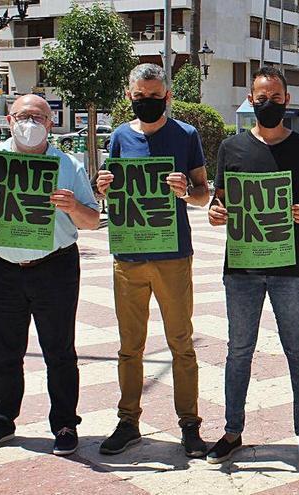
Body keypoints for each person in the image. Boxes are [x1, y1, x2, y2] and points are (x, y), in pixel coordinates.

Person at [0, 94, 100, 456]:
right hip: (3, 267)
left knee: (59, 351)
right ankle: (1, 421)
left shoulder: (67, 164)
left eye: (38, 116)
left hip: (55, 267)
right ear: (9, 120)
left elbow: (93, 220)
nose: (30, 123)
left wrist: (72, 206)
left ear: (50, 124)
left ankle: (64, 424)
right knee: (4, 349)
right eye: (23, 116)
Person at [206, 66, 299, 466]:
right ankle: (231, 430)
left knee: (298, 350)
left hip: (292, 268)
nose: (268, 104)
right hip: (241, 268)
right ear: (250, 98)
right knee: (239, 350)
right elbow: (218, 200)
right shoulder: (231, 148)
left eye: (275, 97)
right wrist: (216, 213)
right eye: (262, 97)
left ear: (287, 100)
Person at [95, 63, 210, 458]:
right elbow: (109, 192)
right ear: (130, 95)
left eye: (155, 95)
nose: (148, 101)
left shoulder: (186, 135)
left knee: (181, 343)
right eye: (140, 96)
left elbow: (203, 193)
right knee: (130, 345)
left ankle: (190, 424)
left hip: (173, 255)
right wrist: (103, 187)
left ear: (168, 96)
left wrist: (185, 192)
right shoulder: (119, 137)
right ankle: (128, 421)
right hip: (128, 256)